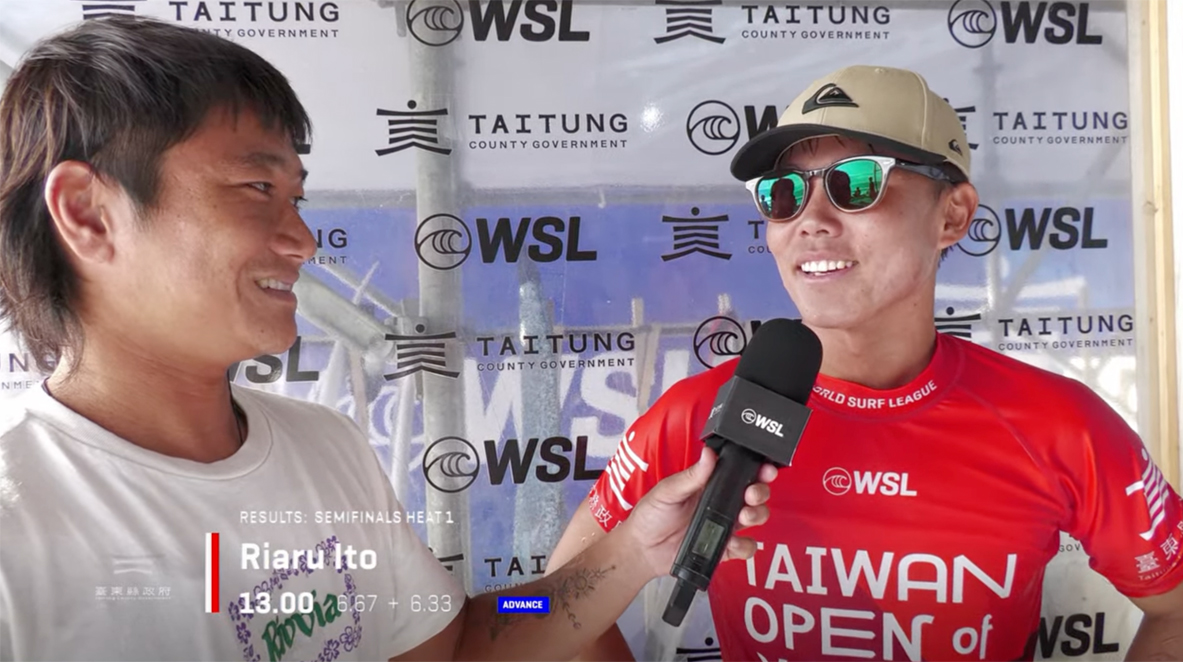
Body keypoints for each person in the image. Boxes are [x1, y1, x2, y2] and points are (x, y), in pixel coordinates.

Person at [0, 16, 778, 662]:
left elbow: (465, 636)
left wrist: (630, 554)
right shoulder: (19, 526)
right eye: (257, 188)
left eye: (296, 198)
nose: (303, 241)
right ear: (89, 213)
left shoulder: (324, 447)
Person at [549, 65, 1183, 661]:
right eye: (782, 193)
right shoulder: (697, 416)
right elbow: (531, 609)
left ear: (953, 215)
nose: (810, 220)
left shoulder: (1061, 425)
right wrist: (616, 565)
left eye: (855, 184)